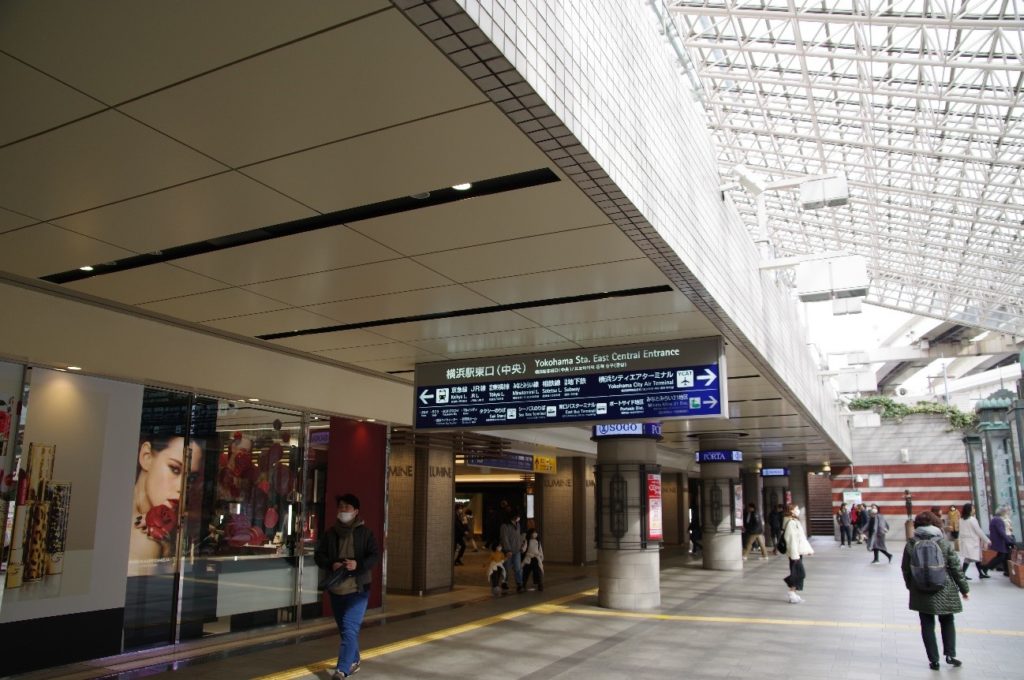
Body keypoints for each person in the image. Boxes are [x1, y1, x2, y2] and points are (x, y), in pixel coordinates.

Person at [314, 494, 380, 680]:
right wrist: (332, 564)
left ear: (356, 511)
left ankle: (342, 670)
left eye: (347, 507)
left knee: (350, 629)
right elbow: (320, 556)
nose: (343, 511)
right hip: (337, 589)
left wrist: (357, 564)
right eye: (340, 507)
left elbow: (374, 556)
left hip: (358, 590)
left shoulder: (365, 533)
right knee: (345, 630)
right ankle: (354, 660)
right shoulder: (331, 533)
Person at [902, 511, 969, 670]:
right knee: (947, 620)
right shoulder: (943, 543)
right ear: (936, 524)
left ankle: (934, 660)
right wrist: (964, 589)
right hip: (944, 587)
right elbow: (955, 568)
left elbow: (905, 569)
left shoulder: (911, 544)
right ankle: (950, 655)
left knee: (926, 624)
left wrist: (911, 586)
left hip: (920, 589)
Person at [130, 434, 204, 563]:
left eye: (191, 478)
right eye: (175, 469)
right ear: (146, 457)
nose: (182, 487)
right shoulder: (146, 543)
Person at [782, 504, 814, 603]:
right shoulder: (791, 523)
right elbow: (792, 540)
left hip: (797, 552)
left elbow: (801, 539)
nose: (798, 510)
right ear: (791, 511)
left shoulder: (795, 521)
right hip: (794, 553)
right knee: (800, 573)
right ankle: (791, 592)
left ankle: (793, 594)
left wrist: (807, 550)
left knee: (796, 572)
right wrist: (794, 555)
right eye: (796, 509)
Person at [958, 503, 990, 579]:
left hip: (965, 542)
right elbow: (978, 531)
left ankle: (979, 573)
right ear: (969, 510)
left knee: (973, 558)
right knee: (973, 557)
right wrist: (987, 540)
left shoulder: (961, 520)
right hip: (973, 542)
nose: (974, 510)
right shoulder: (972, 519)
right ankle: (964, 574)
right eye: (973, 508)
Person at [982, 505, 1013, 577]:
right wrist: (1008, 541)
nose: (1007, 513)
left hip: (998, 540)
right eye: (1006, 511)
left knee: (1003, 556)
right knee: (1001, 556)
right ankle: (986, 567)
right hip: (1000, 541)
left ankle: (1006, 571)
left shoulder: (995, 519)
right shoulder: (998, 520)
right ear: (1003, 512)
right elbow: (1001, 532)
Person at [500, 512, 525, 592]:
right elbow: (505, 538)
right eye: (517, 516)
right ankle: (504, 582)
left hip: (517, 550)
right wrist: (507, 550)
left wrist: (521, 546)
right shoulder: (505, 526)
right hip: (508, 551)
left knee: (518, 568)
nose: (518, 518)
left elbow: (518, 537)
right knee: (506, 567)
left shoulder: (518, 524)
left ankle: (519, 584)